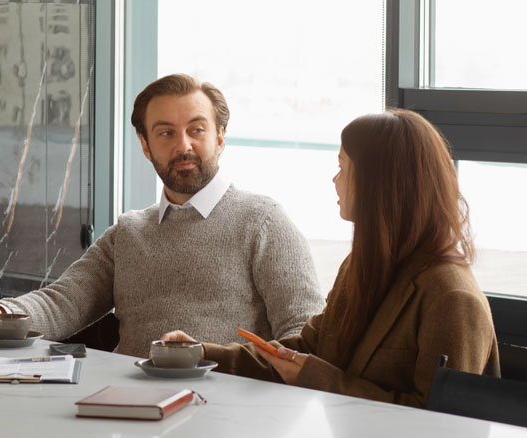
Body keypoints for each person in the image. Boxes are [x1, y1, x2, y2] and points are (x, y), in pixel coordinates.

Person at [0, 74, 324, 358]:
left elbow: (304, 338)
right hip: (129, 413)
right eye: (166, 133)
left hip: (227, 420)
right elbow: (62, 303)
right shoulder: (129, 232)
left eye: (197, 129)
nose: (184, 145)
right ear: (146, 147)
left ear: (221, 137)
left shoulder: (263, 221)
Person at [162, 109, 500, 408]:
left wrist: (317, 377)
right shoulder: (361, 267)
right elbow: (308, 348)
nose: (335, 180)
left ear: (379, 184)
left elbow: (441, 427)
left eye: (342, 167)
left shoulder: (452, 299)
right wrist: (202, 354)